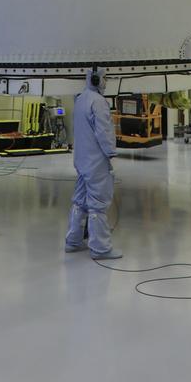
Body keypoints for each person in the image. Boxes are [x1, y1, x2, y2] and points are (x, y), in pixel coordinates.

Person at [64, 67, 122, 260]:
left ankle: (72, 241)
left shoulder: (80, 99)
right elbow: (104, 132)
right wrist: (111, 152)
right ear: (97, 79)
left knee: (79, 201)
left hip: (81, 160)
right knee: (98, 204)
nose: (106, 82)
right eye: (105, 78)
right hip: (96, 161)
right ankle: (100, 248)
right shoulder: (99, 102)